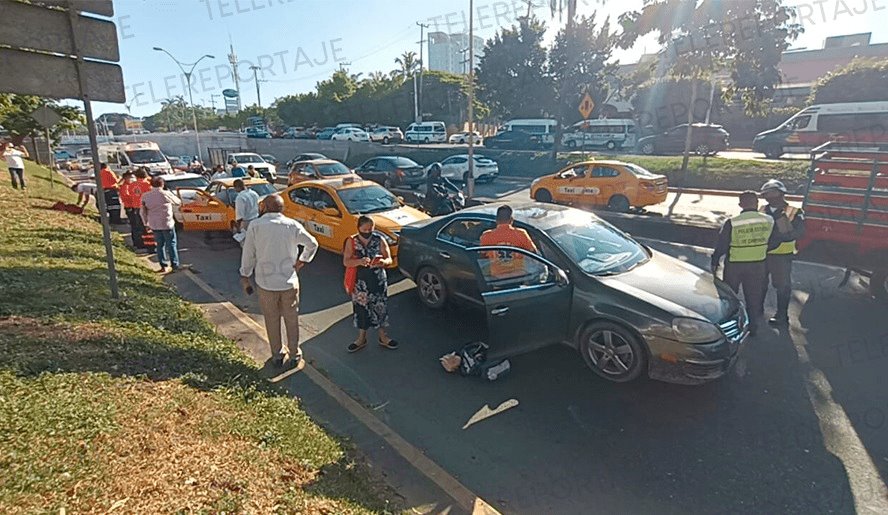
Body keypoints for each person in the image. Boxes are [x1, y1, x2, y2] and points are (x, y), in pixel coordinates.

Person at [239, 194, 318, 368]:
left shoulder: (255, 226)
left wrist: (245, 274)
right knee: (291, 318)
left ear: (264, 207)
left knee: (271, 319)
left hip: (265, 283)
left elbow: (248, 253)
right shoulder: (292, 225)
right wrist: (301, 261)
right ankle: (294, 353)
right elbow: (312, 243)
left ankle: (277, 355)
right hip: (289, 281)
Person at [710, 191, 780, 334]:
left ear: (741, 204)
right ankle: (753, 327)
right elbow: (777, 240)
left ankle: (731, 326)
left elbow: (722, 245)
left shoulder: (733, 222)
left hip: (735, 266)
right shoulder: (769, 220)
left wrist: (715, 261)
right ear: (757, 203)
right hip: (758, 265)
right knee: (754, 297)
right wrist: (762, 248)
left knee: (730, 297)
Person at [343, 215, 399, 353]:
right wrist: (360, 262)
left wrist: (382, 262)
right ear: (359, 228)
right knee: (361, 309)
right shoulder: (352, 241)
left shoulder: (379, 239)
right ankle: (361, 338)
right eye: (365, 229)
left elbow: (389, 259)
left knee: (380, 308)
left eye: (370, 229)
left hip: (377, 280)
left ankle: (382, 337)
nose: (368, 232)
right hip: (360, 282)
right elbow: (346, 261)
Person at [760, 179, 805, 325]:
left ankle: (781, 315)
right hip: (761, 253)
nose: (769, 196)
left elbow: (798, 232)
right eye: (766, 194)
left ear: (781, 194)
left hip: (781, 255)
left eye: (772, 193)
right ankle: (757, 310)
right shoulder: (761, 210)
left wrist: (779, 235)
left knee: (782, 286)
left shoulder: (795, 211)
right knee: (759, 283)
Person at [480, 205, 539, 278]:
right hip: (518, 276)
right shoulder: (521, 234)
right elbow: (534, 253)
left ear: (496, 220)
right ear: (511, 220)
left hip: (497, 278)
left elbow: (482, 258)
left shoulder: (487, 236)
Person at [140, 176, 184, 273]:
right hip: (166, 223)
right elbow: (178, 202)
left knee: (160, 245)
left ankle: (163, 265)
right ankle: (175, 265)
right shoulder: (165, 194)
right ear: (162, 184)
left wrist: (145, 223)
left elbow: (143, 211)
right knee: (171, 244)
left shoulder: (145, 196)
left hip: (154, 224)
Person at [120, 169, 151, 250]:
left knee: (137, 227)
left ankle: (139, 244)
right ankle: (149, 245)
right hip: (146, 208)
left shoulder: (132, 185)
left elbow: (130, 194)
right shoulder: (147, 184)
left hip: (136, 208)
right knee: (147, 227)